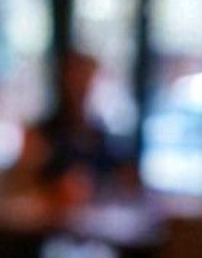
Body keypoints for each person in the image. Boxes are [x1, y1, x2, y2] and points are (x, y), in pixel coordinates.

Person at [12, 50, 138, 205]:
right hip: (53, 224)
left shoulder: (99, 135)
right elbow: (20, 189)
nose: (81, 86)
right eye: (75, 78)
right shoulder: (39, 135)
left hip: (97, 222)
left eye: (87, 78)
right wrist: (54, 191)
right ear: (62, 81)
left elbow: (122, 182)